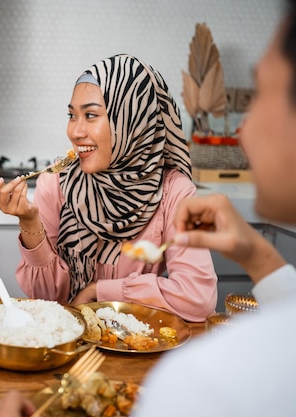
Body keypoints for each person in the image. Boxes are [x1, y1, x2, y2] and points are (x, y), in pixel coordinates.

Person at [130, 2, 296, 414]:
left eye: (260, 95)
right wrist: (257, 255)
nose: (241, 127)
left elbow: (194, 299)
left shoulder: (198, 384)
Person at [0, 54, 217, 322]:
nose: (75, 131)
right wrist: (29, 222)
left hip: (137, 350)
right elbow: (47, 297)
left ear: (133, 120)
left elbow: (198, 297)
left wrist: (101, 291)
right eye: (72, 115)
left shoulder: (175, 192)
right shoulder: (56, 182)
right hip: (68, 348)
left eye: (91, 115)